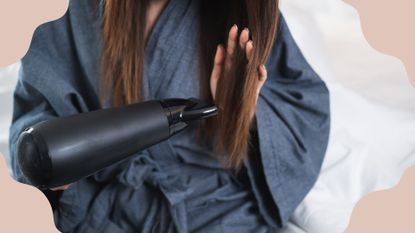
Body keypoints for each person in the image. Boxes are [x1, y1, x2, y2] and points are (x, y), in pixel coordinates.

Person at [7, 0, 330, 232]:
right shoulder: (64, 12)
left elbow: (305, 114)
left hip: (219, 208)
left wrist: (244, 108)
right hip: (102, 208)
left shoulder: (242, 12)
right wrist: (53, 171)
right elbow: (32, 120)